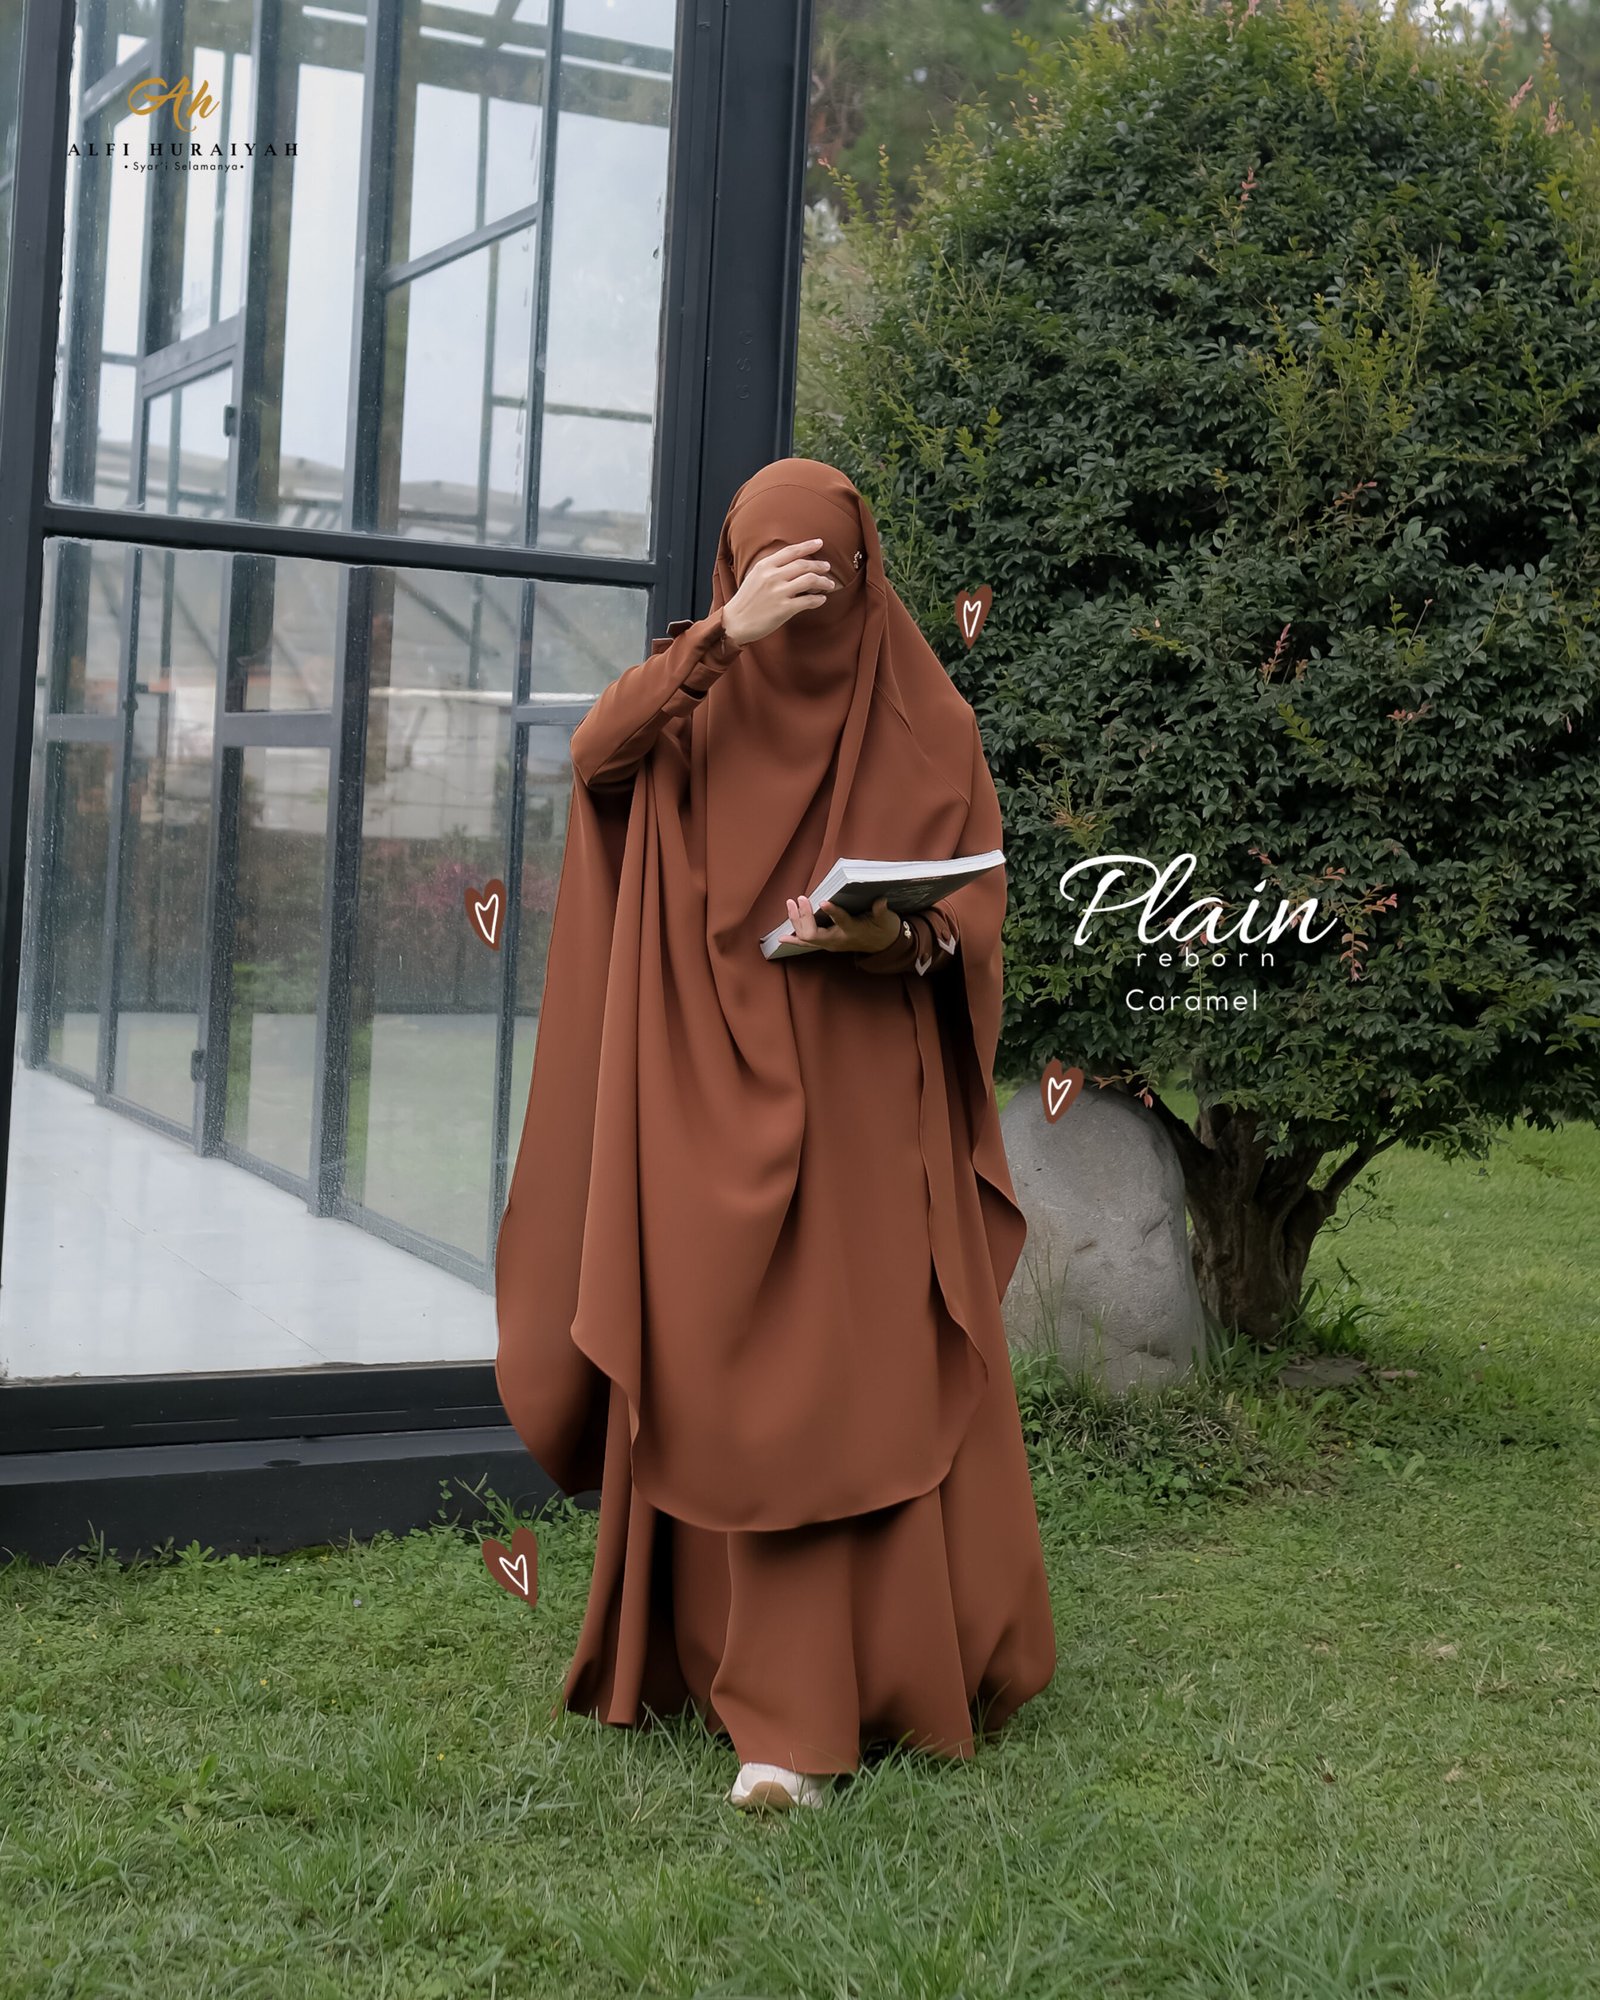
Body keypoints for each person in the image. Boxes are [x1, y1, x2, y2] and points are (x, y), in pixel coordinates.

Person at [495, 456, 1055, 1812]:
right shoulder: (692, 704)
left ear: (868, 580)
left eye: (827, 590)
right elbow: (591, 759)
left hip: (869, 1105)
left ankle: (821, 1711)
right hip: (698, 1095)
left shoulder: (927, 718)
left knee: (855, 1376)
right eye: (773, 587)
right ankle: (712, 1666)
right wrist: (718, 643)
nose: (806, 624)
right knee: (719, 1370)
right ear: (736, 582)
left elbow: (970, 915)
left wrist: (894, 942)